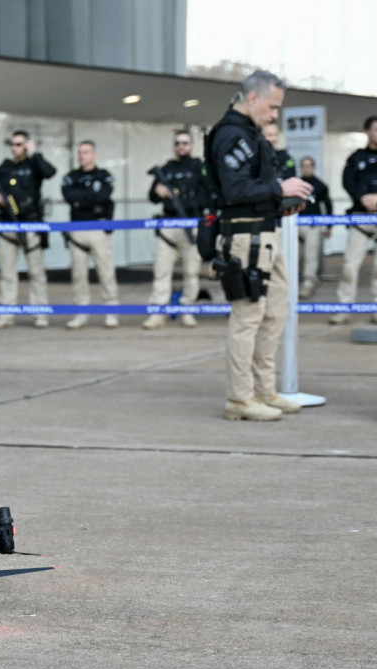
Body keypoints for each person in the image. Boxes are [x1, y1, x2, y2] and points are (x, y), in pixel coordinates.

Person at [206, 69, 312, 421]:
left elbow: (253, 186)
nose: (275, 114)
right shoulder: (231, 135)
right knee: (248, 317)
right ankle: (239, 398)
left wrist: (281, 202)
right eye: (272, 106)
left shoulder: (249, 134)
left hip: (267, 232)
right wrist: (280, 190)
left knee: (274, 313)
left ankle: (264, 390)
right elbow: (233, 190)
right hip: (245, 237)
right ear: (252, 98)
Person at [332, 116, 377, 324]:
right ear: (367, 132)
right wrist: (363, 198)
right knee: (350, 265)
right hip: (360, 217)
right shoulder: (356, 157)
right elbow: (347, 181)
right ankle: (344, 307)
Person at [0, 129, 57, 329]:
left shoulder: (35, 163)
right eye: (13, 144)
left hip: (30, 224)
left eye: (19, 144)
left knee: (36, 272)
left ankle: (40, 313)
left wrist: (36, 153)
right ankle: (6, 314)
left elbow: (50, 172)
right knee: (7, 273)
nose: (15, 148)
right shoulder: (5, 167)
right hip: (7, 224)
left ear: (26, 145)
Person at [143, 130, 212, 330]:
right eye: (177, 143)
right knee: (162, 271)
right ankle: (158, 312)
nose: (181, 146)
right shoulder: (166, 169)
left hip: (191, 223)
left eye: (185, 142)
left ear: (192, 145)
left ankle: (187, 310)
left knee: (191, 272)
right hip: (169, 225)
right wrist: (158, 190)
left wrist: (187, 198)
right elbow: (152, 196)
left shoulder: (199, 167)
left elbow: (209, 195)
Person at [60, 140, 119, 329]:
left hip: (99, 227)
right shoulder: (71, 177)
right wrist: (89, 198)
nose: (82, 156)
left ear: (94, 155)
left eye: (86, 152)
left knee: (106, 272)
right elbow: (70, 196)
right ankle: (81, 313)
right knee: (78, 274)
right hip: (77, 228)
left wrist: (82, 199)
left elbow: (104, 196)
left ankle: (111, 312)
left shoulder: (104, 176)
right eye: (80, 152)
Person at [297, 156, 332, 298]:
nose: (306, 168)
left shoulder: (320, 185)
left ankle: (309, 283)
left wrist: (329, 225)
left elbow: (328, 205)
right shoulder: (296, 184)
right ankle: (299, 281)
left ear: (313, 167)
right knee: (296, 256)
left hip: (313, 225)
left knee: (311, 256)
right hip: (296, 224)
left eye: (309, 166)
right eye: (303, 166)